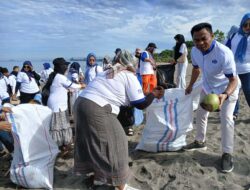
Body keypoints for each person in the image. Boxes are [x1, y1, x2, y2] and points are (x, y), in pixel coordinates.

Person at [74, 50, 164, 190]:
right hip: (96, 108)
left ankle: (96, 176)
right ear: (132, 64)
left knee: (92, 142)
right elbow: (140, 104)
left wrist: (147, 94)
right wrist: (153, 94)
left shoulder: (107, 71)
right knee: (117, 142)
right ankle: (121, 185)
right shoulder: (128, 75)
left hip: (80, 104)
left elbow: (125, 94)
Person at [184, 23, 240, 173]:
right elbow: (196, 69)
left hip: (227, 87)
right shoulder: (194, 51)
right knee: (201, 113)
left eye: (204, 38)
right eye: (196, 40)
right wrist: (190, 85)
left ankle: (227, 153)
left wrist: (224, 95)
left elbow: (233, 80)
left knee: (226, 118)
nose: (200, 43)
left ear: (212, 36)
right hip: (208, 87)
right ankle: (200, 141)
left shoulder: (223, 52)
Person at [46, 58, 84, 153]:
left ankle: (61, 145)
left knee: (58, 125)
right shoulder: (60, 77)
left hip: (55, 104)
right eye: (65, 66)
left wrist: (67, 90)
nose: (67, 68)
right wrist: (83, 86)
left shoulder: (55, 76)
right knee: (61, 125)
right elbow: (73, 85)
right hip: (58, 106)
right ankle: (62, 145)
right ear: (61, 67)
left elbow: (58, 89)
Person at [229, 13, 250, 119]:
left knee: (248, 91)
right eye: (245, 24)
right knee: (233, 92)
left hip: (247, 70)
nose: (247, 27)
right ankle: (234, 112)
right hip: (233, 69)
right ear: (242, 23)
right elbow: (227, 48)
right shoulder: (234, 35)